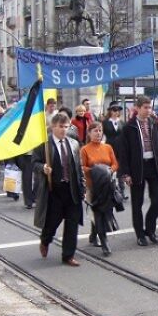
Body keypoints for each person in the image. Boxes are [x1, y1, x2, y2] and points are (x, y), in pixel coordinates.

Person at [32, 112, 85, 267]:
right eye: (60, 126)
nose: (63, 130)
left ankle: (68, 255)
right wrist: (43, 167)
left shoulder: (73, 143)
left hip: (71, 189)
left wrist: (82, 187)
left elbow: (78, 167)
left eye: (66, 127)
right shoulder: (44, 144)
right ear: (53, 127)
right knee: (52, 222)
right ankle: (45, 240)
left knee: (72, 223)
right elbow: (34, 163)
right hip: (54, 190)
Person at [118, 96, 158, 247]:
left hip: (153, 165)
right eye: (145, 108)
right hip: (137, 167)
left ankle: (150, 229)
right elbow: (123, 152)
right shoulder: (129, 127)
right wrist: (125, 173)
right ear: (137, 108)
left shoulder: (155, 124)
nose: (148, 110)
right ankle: (140, 234)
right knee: (137, 203)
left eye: (150, 107)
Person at [81, 122, 119, 256]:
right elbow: (82, 167)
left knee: (105, 211)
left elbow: (115, 164)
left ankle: (93, 234)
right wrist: (96, 171)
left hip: (107, 186)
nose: (98, 133)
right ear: (89, 133)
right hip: (93, 186)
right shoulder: (85, 149)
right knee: (98, 212)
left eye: (100, 130)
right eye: (95, 131)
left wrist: (109, 170)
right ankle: (104, 241)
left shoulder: (107, 147)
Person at [102, 100, 127, 199]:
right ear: (110, 111)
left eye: (118, 110)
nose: (116, 112)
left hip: (120, 148)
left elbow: (125, 136)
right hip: (109, 147)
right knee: (110, 169)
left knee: (120, 169)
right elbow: (101, 135)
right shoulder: (105, 122)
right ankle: (110, 191)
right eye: (114, 110)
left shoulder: (122, 122)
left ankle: (122, 191)